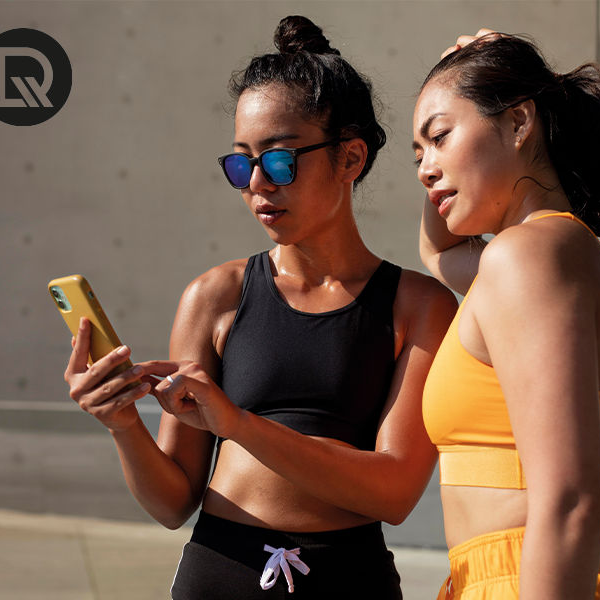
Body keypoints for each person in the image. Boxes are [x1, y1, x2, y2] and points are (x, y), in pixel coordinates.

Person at [63, 15, 457, 600]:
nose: (257, 184)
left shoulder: (418, 305)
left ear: (350, 158)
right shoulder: (215, 296)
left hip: (351, 579)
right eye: (241, 162)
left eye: (279, 160)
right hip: (220, 571)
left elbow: (395, 492)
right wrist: (122, 426)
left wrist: (238, 424)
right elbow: (173, 502)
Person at [415, 31, 600, 599]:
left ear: (518, 123)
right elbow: (437, 254)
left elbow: (568, 501)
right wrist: (456, 73)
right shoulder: (580, 261)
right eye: (419, 154)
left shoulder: (525, 259)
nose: (425, 168)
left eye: (439, 137)